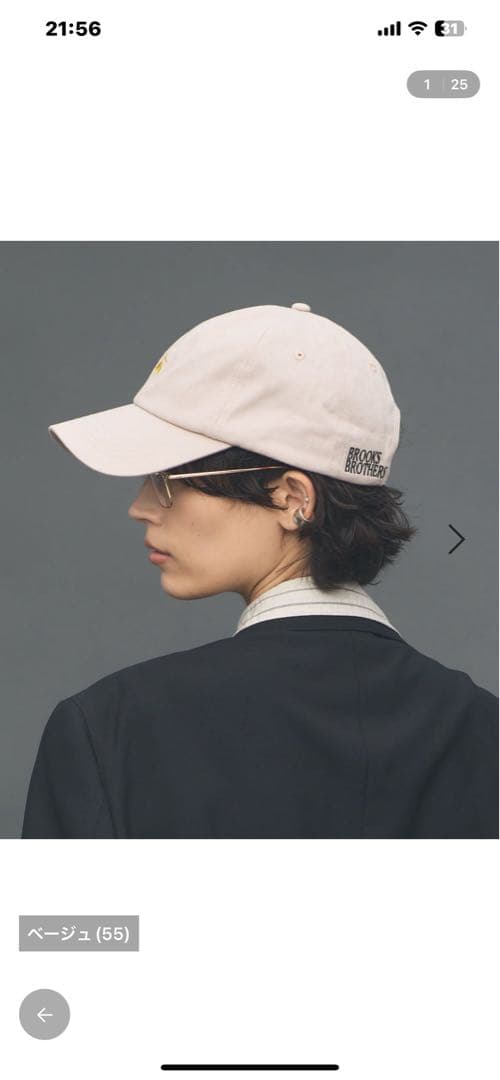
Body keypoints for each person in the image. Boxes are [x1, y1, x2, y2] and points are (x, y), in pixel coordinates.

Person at [22, 301, 498, 838]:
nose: (141, 507)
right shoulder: (481, 729)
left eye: (166, 481)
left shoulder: (114, 728)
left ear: (293, 497)